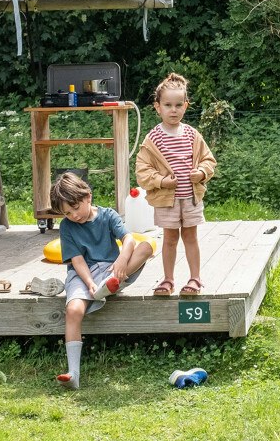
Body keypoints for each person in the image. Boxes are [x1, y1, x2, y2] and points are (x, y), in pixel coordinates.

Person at [51, 172, 154, 390]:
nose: (73, 215)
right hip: (83, 274)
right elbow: (77, 261)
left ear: (88, 196)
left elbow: (128, 240)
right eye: (67, 213)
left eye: (75, 208)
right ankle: (73, 373)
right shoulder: (67, 227)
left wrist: (122, 259)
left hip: (113, 270)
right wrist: (89, 283)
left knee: (145, 247)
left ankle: (106, 288)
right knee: (73, 310)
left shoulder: (108, 215)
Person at [136, 72, 217, 298]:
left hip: (190, 198)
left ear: (186, 105)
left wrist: (200, 173)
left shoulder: (192, 135)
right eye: (168, 105)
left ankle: (195, 278)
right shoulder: (154, 138)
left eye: (178, 105)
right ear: (157, 107)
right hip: (166, 201)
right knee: (170, 239)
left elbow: (208, 160)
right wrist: (162, 181)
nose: (173, 110)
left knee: (191, 237)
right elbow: (142, 170)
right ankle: (168, 280)